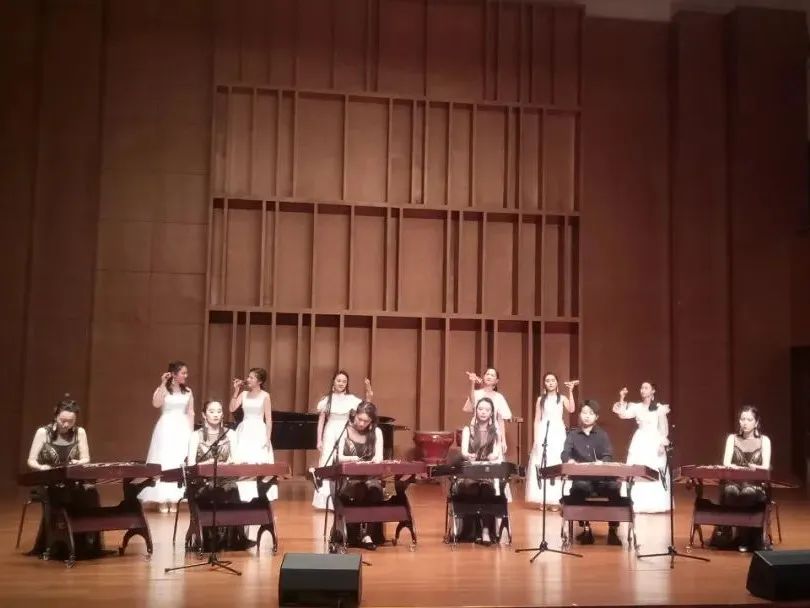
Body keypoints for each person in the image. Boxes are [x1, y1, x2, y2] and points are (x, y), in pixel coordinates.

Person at [26, 398, 101, 558]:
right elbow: (31, 460)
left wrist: (78, 462)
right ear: (55, 416)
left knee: (90, 493)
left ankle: (84, 543)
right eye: (62, 420)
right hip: (48, 481)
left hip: (72, 481)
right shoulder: (43, 433)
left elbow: (86, 458)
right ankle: (56, 543)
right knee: (59, 494)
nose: (66, 425)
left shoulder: (80, 432)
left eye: (71, 421)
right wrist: (41, 467)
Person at [186, 400, 253, 551]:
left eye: (219, 411)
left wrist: (228, 463)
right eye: (211, 411)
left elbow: (236, 460)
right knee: (211, 490)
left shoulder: (231, 434)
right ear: (204, 415)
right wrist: (208, 463)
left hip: (225, 478)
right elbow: (190, 464)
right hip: (202, 481)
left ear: (222, 414)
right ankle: (210, 538)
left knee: (235, 489)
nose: (216, 415)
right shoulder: (196, 436)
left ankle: (236, 537)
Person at [560, 400, 622, 546]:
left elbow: (608, 455)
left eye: (591, 413)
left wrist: (602, 462)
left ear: (596, 417)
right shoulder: (573, 435)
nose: (587, 416)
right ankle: (586, 529)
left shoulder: (602, 435)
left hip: (602, 479)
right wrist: (569, 460)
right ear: (580, 415)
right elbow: (565, 453)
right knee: (579, 488)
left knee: (613, 487)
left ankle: (613, 530)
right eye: (584, 413)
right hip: (582, 478)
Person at [711, 405, 772, 552]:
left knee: (748, 492)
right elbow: (726, 463)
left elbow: (765, 466)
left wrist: (754, 468)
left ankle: (746, 537)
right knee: (730, 491)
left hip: (755, 484)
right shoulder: (732, 439)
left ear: (756, 423)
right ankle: (731, 535)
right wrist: (736, 468)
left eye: (749, 420)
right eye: (742, 419)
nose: (745, 422)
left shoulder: (764, 440)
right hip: (734, 482)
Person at [312, 370, 373, 509]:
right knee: (326, 461)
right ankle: (325, 500)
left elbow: (366, 405)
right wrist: (318, 440)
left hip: (345, 430)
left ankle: (343, 496)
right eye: (339, 380)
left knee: (343, 459)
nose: (341, 383)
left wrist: (368, 390)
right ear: (334, 381)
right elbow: (321, 421)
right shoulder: (327, 400)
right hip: (330, 430)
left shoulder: (350, 399)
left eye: (344, 381)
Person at [138, 361, 194, 512]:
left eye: (186, 373)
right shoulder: (163, 389)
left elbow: (190, 412)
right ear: (174, 374)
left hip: (182, 428)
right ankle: (162, 499)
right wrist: (163, 383)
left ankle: (175, 499)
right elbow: (156, 403)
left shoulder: (188, 391)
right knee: (165, 460)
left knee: (178, 460)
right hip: (166, 428)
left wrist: (191, 433)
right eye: (183, 373)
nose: (186, 376)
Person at [612, 382, 671, 513]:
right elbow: (623, 414)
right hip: (640, 440)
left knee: (653, 468)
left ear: (653, 391)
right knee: (636, 468)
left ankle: (654, 503)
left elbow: (663, 429)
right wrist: (622, 397)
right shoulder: (637, 407)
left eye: (646, 388)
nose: (643, 390)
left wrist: (662, 444)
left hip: (654, 441)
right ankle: (636, 502)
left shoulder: (659, 408)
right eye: (642, 388)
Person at [334, 401, 385, 550]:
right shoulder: (345, 430)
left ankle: (369, 535)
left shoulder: (376, 432)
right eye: (359, 419)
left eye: (366, 421)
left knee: (375, 490)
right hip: (349, 480)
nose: (361, 423)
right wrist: (353, 459)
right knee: (360, 489)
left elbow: (379, 457)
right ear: (354, 415)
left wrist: (375, 461)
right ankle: (353, 534)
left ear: (371, 422)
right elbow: (338, 458)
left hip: (370, 478)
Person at [454, 397, 502, 545]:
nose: (483, 412)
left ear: (491, 412)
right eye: (480, 409)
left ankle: (486, 530)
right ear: (476, 411)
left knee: (487, 490)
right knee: (472, 488)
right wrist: (468, 455)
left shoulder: (495, 431)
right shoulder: (468, 430)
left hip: (486, 471)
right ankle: (471, 530)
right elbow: (463, 451)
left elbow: (497, 451)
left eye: (487, 410)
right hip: (471, 470)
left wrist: (493, 455)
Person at [525, 372, 578, 508]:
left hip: (558, 432)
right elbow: (537, 419)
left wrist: (571, 391)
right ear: (544, 383)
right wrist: (536, 438)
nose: (550, 383)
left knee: (556, 462)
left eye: (553, 380)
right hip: (544, 430)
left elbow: (572, 409)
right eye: (547, 380)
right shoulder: (540, 399)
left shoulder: (562, 398)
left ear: (557, 382)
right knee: (544, 462)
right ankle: (542, 498)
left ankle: (555, 499)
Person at [229, 367, 277, 502]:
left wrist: (268, 438)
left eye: (251, 377)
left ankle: (258, 497)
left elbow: (268, 420)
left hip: (259, 431)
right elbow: (232, 408)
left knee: (258, 463)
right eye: (248, 377)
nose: (248, 379)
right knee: (243, 462)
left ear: (259, 381)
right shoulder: (244, 394)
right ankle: (244, 497)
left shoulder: (265, 395)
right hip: (245, 430)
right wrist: (236, 391)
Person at [462, 368, 512, 455]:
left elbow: (500, 420)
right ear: (483, 377)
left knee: (493, 457)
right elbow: (471, 403)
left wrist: (503, 440)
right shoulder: (476, 393)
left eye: (492, 375)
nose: (489, 376)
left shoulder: (499, 397)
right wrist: (472, 383)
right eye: (487, 374)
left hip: (492, 432)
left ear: (496, 381)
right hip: (476, 431)